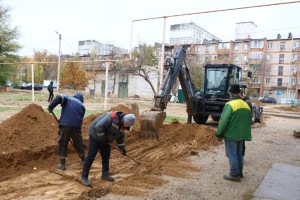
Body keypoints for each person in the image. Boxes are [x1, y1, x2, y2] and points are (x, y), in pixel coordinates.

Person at [80, 111, 136, 186]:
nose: (127, 128)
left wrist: (122, 148)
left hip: (105, 138)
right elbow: (98, 127)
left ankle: (105, 174)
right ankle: (84, 177)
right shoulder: (111, 117)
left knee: (106, 156)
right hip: (95, 134)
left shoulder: (123, 125)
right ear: (125, 122)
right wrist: (103, 139)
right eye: (127, 126)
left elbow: (120, 138)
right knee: (91, 156)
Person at [215, 84, 252, 182]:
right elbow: (249, 120)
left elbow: (224, 121)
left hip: (232, 135)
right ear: (239, 93)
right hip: (242, 135)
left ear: (231, 93)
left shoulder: (230, 105)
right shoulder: (246, 104)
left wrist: (218, 134)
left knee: (232, 154)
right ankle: (239, 172)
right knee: (239, 154)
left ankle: (234, 174)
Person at [48, 93, 86, 170]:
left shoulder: (68, 98)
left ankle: (62, 164)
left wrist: (51, 106)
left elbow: (59, 97)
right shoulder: (82, 106)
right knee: (78, 143)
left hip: (65, 125)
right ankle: (84, 160)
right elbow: (79, 119)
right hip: (76, 127)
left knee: (63, 143)